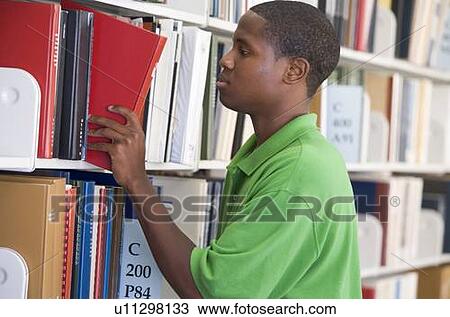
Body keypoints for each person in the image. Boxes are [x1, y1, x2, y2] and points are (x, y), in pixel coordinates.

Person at [88, 1, 362, 298]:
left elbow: (214, 297)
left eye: (244, 51)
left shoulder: (297, 169)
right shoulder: (273, 151)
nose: (226, 60)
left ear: (294, 71)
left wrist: (137, 182)